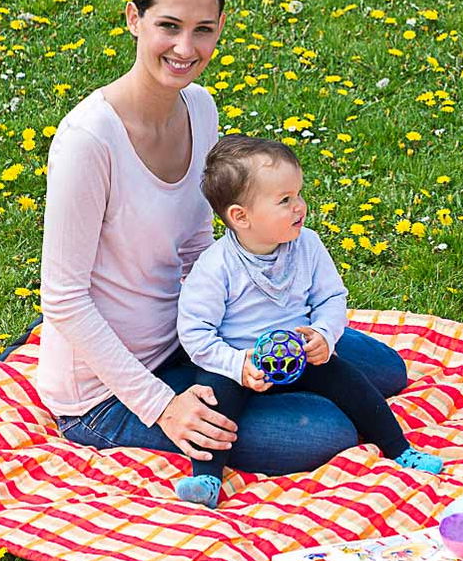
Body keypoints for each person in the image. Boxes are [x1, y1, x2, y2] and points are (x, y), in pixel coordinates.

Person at [38, 0, 410, 477]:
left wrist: (245, 332)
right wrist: (164, 407)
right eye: (168, 26)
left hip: (197, 335)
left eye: (203, 30)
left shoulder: (199, 107)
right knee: (325, 430)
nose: (185, 48)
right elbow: (64, 298)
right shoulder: (88, 140)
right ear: (134, 19)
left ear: (221, 28)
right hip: (109, 391)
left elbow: (197, 245)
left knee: (385, 371)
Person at [172, 136, 443, 507]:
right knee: (214, 407)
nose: (299, 206)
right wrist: (236, 364)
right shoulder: (216, 267)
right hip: (240, 363)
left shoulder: (308, 245)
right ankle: (206, 479)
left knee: (354, 384)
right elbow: (195, 333)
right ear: (241, 217)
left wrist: (323, 335)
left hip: (299, 354)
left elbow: (331, 298)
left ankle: (400, 449)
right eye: (285, 200)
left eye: (298, 194)